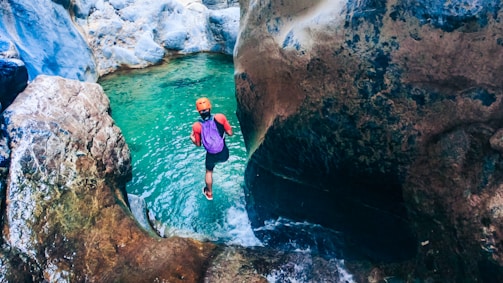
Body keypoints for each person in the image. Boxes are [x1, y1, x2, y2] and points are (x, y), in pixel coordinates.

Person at [190, 97, 233, 200]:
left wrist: (192, 137)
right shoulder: (220, 117)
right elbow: (230, 133)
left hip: (211, 155)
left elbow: (198, 144)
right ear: (210, 107)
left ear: (198, 111)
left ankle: (209, 193)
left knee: (209, 172)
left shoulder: (196, 126)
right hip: (224, 154)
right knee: (221, 156)